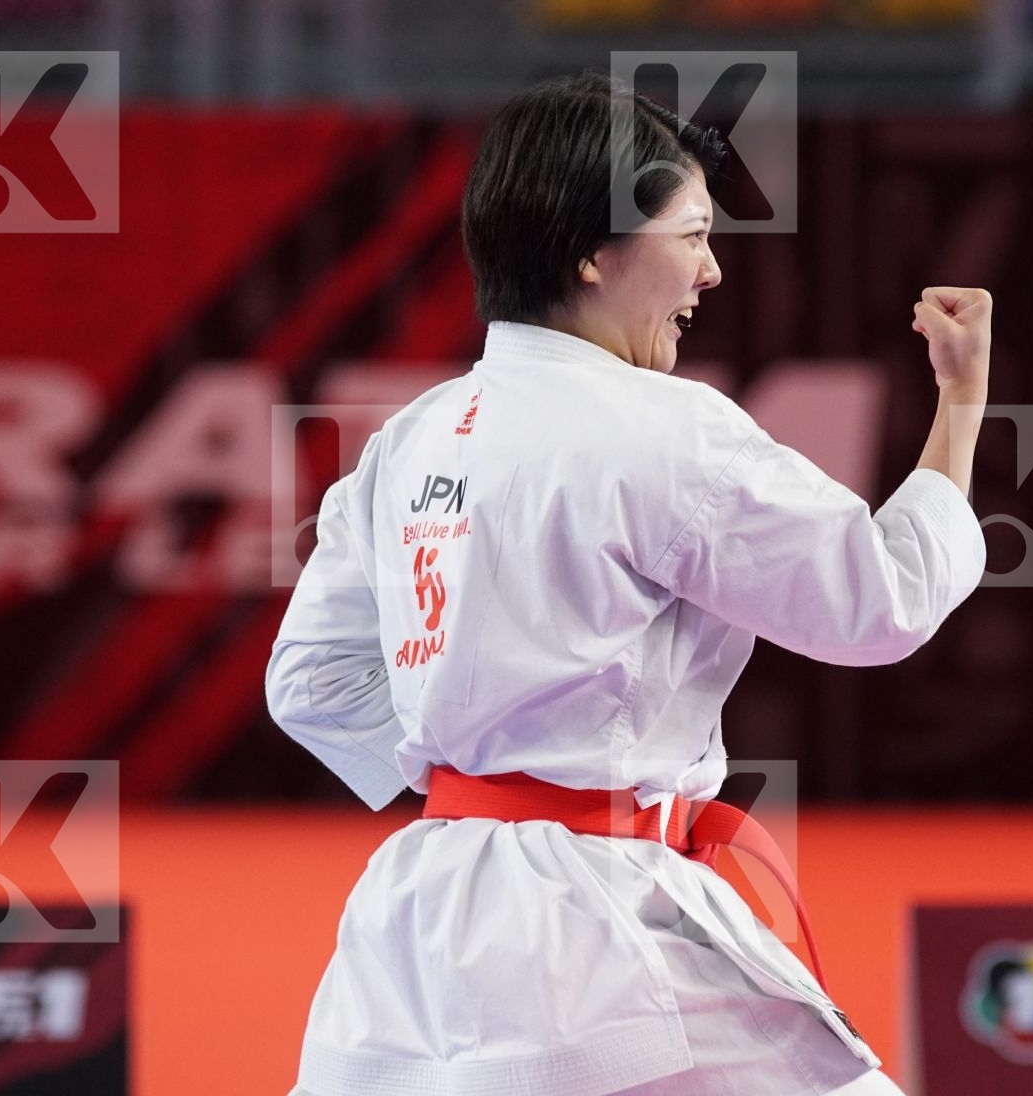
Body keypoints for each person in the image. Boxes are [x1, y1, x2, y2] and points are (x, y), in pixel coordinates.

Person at [266, 70, 990, 1096]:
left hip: (414, 928)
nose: (712, 274)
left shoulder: (408, 438)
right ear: (595, 255)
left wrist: (480, 754)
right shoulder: (665, 430)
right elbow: (884, 605)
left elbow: (309, 684)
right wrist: (960, 405)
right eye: (692, 235)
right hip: (596, 932)